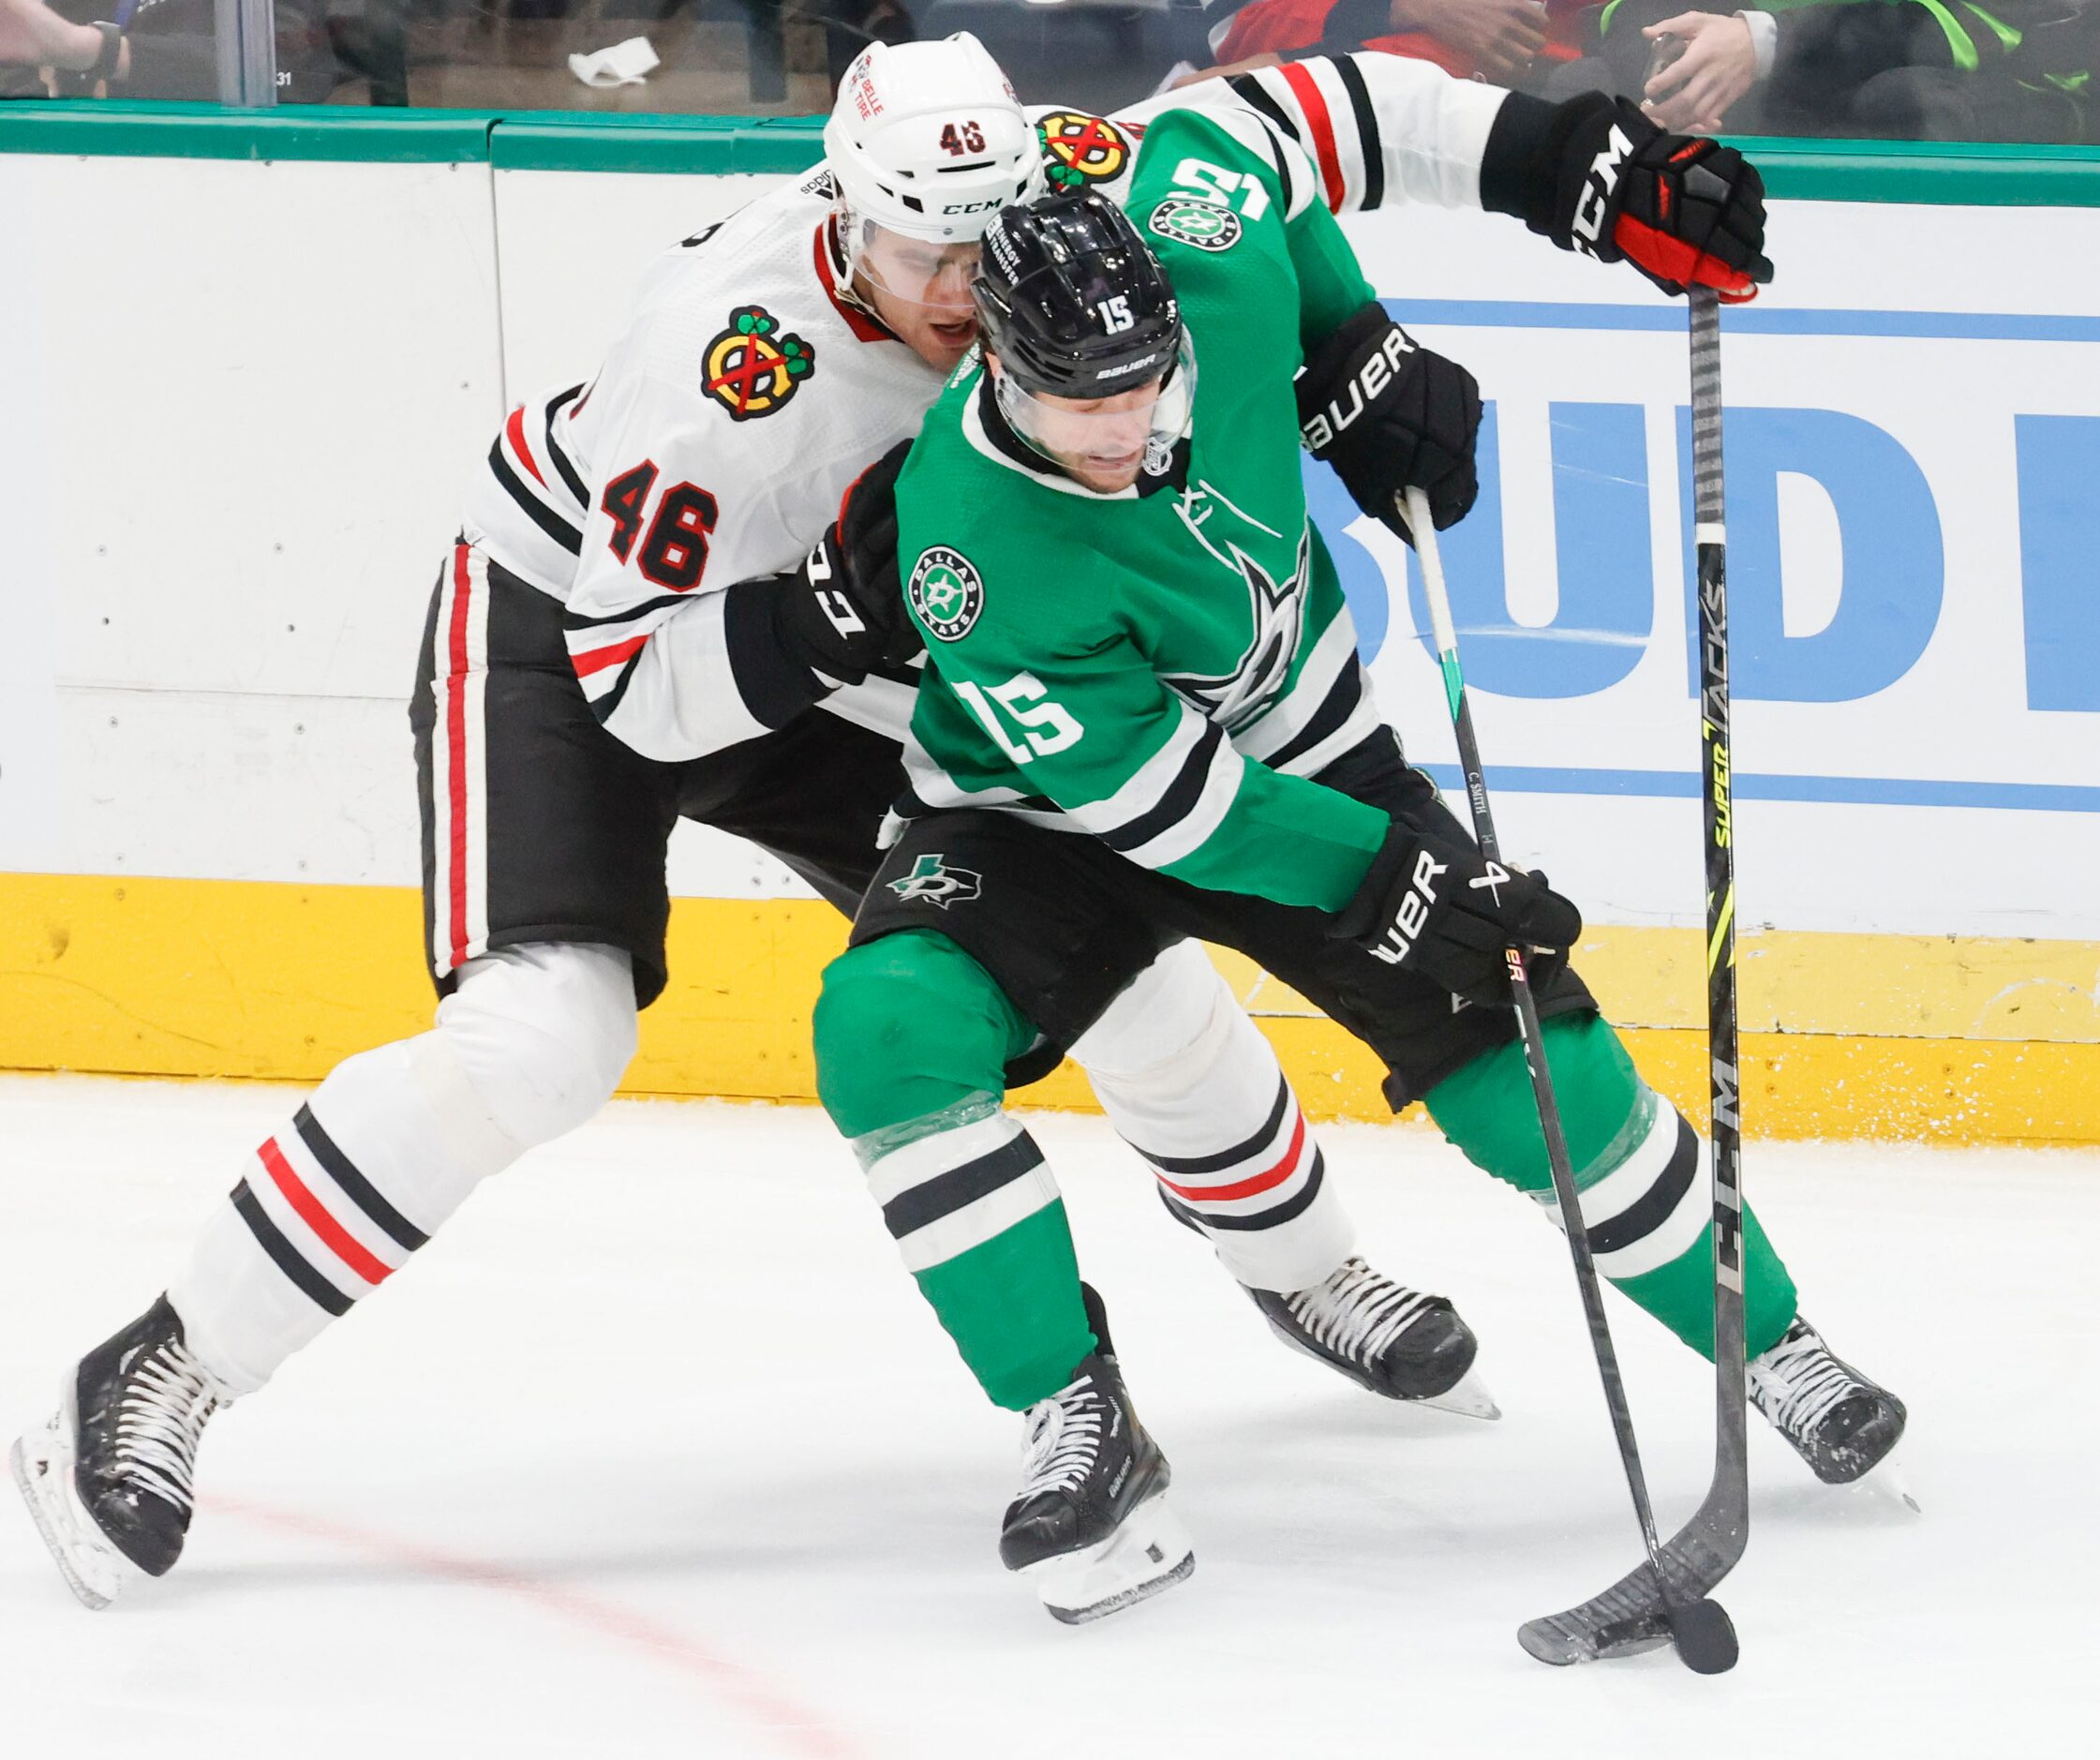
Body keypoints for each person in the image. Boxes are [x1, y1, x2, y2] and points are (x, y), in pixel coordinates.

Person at [10, 33, 1530, 1615]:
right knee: (541, 1037)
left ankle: (1305, 1268)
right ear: (844, 207)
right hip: (577, 630)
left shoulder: (1048, 200)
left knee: (1109, 942)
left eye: (981, 238)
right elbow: (640, 688)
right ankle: (159, 1363)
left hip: (834, 660)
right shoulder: (720, 357)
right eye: (921, 251)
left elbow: (1277, 135)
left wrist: (1357, 341)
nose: (960, 286)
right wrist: (820, 609)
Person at [811, 85, 1906, 1622]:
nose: (1125, 427)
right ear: (997, 360)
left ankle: (1769, 1344)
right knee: (883, 1028)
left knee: (1537, 1054)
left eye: (1145, 384)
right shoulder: (965, 538)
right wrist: (1411, 884)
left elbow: (1274, 138)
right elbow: (1172, 808)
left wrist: (1351, 339)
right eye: (1082, 405)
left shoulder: (1212, 241)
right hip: (1043, 814)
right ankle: (1076, 1418)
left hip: (1306, 742)